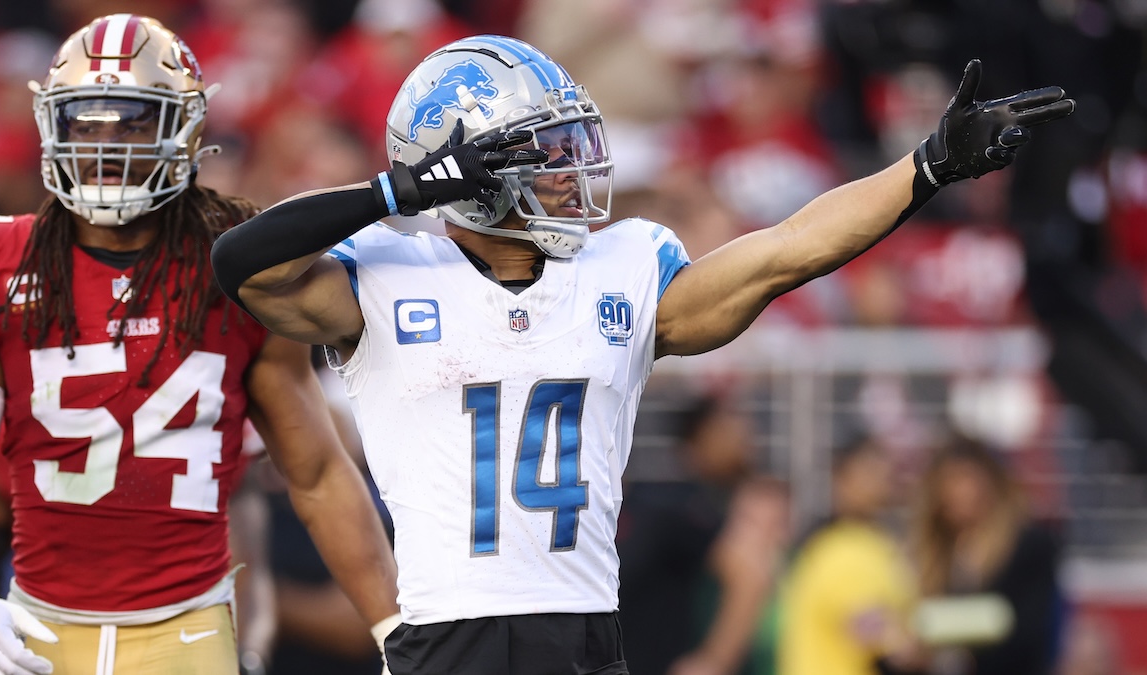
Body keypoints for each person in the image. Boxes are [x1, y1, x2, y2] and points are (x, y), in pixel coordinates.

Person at [209, 34, 1075, 674]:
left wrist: (925, 168)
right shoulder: (386, 277)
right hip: (447, 637)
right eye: (543, 153)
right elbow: (241, 264)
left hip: (588, 632)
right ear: (460, 173)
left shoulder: (622, 265)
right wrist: (399, 190)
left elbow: (788, 250)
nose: (570, 170)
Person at [0, 14, 399, 675]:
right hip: (36, 621)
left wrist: (394, 631)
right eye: (84, 122)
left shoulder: (239, 268)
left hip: (186, 628)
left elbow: (317, 473)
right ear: (51, 125)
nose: (106, 145)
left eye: (132, 121)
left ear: (184, 130)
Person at [909, 438, 1063, 675]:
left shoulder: (1028, 546)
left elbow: (1029, 635)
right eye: (951, 480)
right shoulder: (933, 556)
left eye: (967, 479)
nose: (960, 491)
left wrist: (959, 654)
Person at [779, 437, 919, 675]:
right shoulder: (844, 547)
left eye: (885, 473)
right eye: (869, 473)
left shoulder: (868, 542)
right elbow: (870, 627)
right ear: (840, 478)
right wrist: (913, 648)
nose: (880, 483)